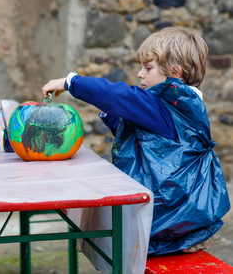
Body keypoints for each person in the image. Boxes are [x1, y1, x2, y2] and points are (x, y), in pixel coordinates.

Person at [42, 27, 230, 256]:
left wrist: (71, 82)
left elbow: (118, 96)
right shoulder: (178, 106)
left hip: (167, 216)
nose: (140, 74)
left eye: (148, 68)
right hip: (178, 212)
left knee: (98, 213)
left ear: (174, 72)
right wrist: (109, 110)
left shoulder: (167, 105)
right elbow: (135, 134)